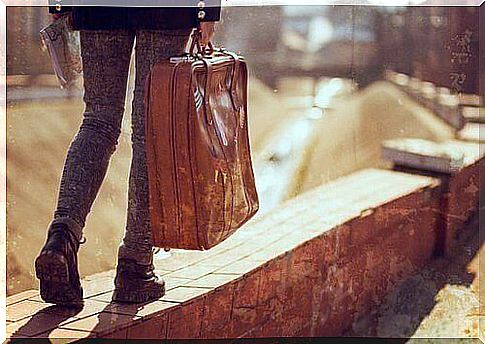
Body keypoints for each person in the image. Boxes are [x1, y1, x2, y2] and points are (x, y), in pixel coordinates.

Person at [34, 1, 221, 306]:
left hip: (98, 7)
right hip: (166, 10)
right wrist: (207, 11)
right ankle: (135, 265)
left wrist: (60, 3)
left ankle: (62, 238)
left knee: (98, 121)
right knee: (150, 130)